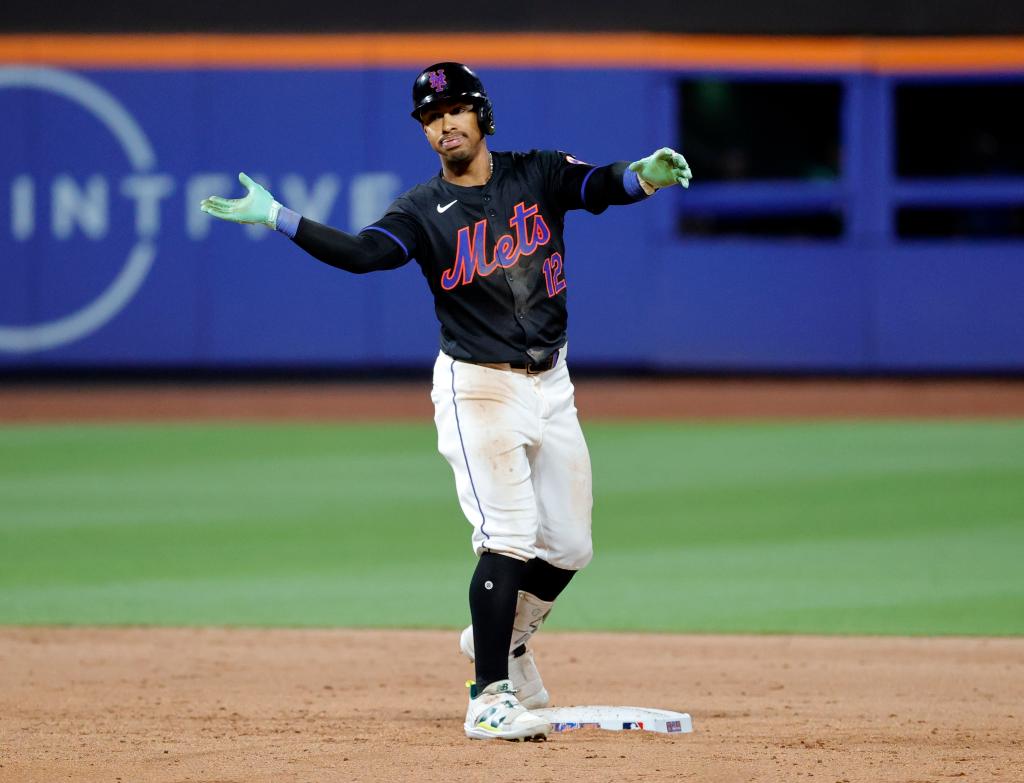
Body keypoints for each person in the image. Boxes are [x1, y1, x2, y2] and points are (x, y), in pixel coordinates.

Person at [200, 61, 692, 742]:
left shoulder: (537, 172)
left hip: (552, 382)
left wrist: (644, 174)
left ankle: (504, 640)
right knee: (509, 537)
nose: (443, 125)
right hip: (478, 387)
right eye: (431, 117)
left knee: (571, 545)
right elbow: (364, 254)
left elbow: (597, 184)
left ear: (482, 115)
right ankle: (488, 695)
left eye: (455, 110)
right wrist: (278, 217)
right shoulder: (421, 209)